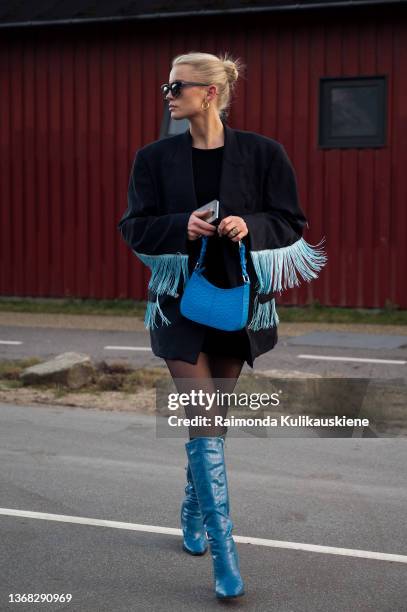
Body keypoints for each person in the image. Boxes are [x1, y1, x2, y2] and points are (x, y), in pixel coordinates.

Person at [117, 51, 327, 600]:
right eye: (166, 85)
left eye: (177, 85)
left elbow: (290, 221)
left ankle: (192, 510)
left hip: (238, 305)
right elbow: (133, 227)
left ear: (209, 93)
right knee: (203, 413)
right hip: (177, 307)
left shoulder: (264, 153)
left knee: (212, 421)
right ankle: (225, 559)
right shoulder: (153, 158)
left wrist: (246, 224)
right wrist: (179, 225)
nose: (167, 93)